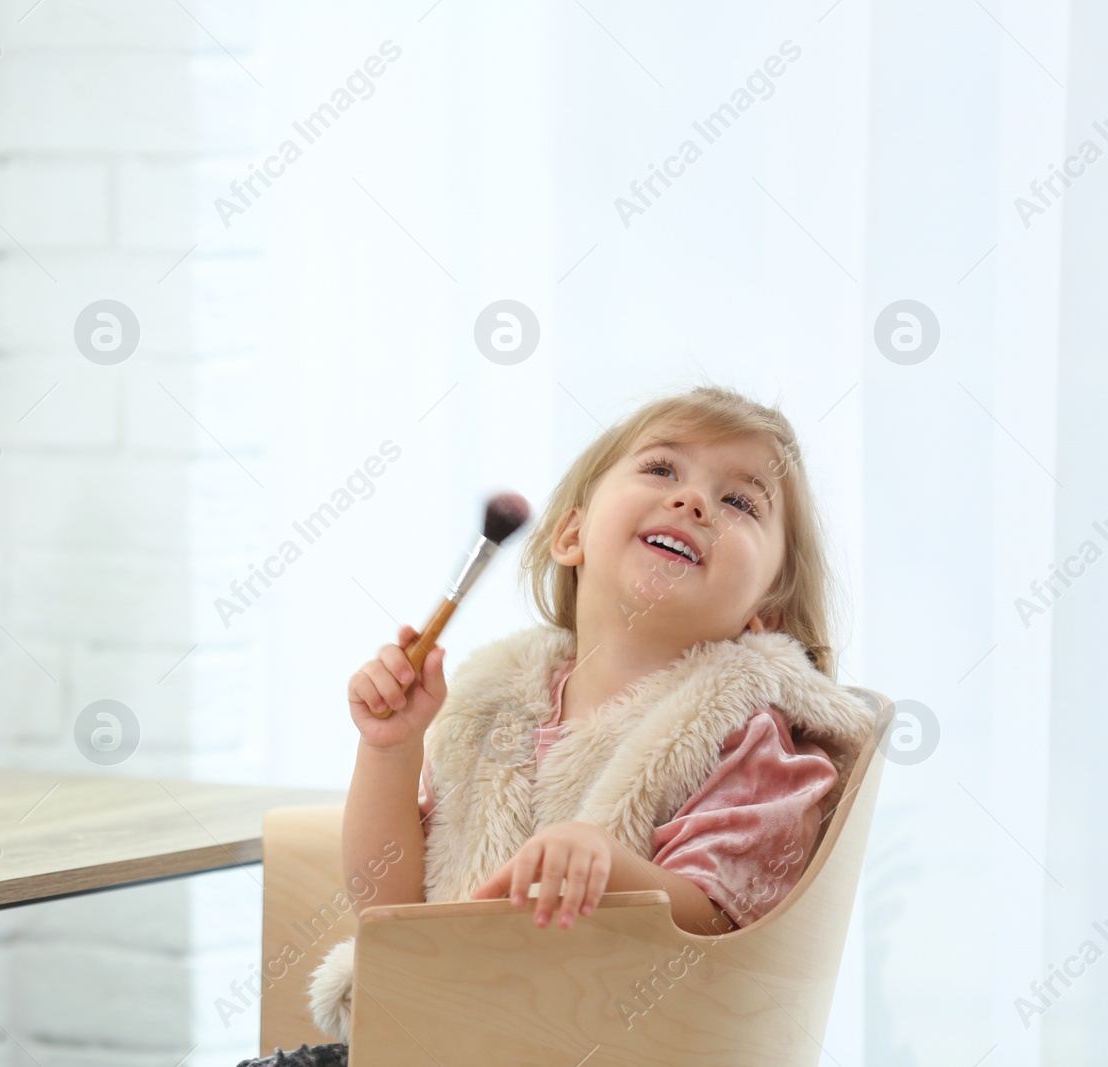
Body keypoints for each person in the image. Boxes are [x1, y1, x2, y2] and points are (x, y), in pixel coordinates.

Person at [234, 385, 878, 1065]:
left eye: (740, 501)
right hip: (439, 1040)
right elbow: (388, 906)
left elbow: (726, 921)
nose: (693, 502)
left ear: (767, 613)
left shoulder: (751, 733)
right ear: (572, 535)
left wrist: (608, 861)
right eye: (662, 469)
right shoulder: (499, 704)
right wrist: (390, 750)